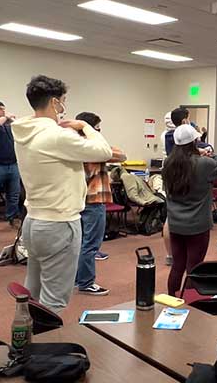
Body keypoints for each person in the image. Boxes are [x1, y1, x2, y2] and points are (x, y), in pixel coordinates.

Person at [12, 75, 112, 313]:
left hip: (34, 221)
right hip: (59, 224)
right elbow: (104, 151)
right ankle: (44, 347)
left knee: (32, 290)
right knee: (54, 299)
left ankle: (25, 343)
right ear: (55, 102)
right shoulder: (56, 135)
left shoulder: (23, 131)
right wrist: (85, 126)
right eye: (63, 100)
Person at [162, 124, 217, 295]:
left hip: (175, 224)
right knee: (194, 268)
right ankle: (191, 304)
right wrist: (211, 154)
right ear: (194, 142)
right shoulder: (204, 163)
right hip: (198, 225)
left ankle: (173, 300)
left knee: (177, 265)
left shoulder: (168, 163)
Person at [74, 112, 126, 296]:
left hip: (78, 200)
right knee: (91, 244)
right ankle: (86, 283)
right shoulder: (93, 147)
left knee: (79, 243)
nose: (100, 129)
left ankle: (77, 278)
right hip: (94, 200)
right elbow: (121, 155)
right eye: (97, 126)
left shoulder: (73, 145)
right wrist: (96, 137)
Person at [161, 107, 189, 266]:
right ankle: (179, 253)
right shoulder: (179, 135)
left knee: (170, 215)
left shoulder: (165, 134)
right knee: (177, 215)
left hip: (169, 173)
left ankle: (170, 255)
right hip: (181, 175)